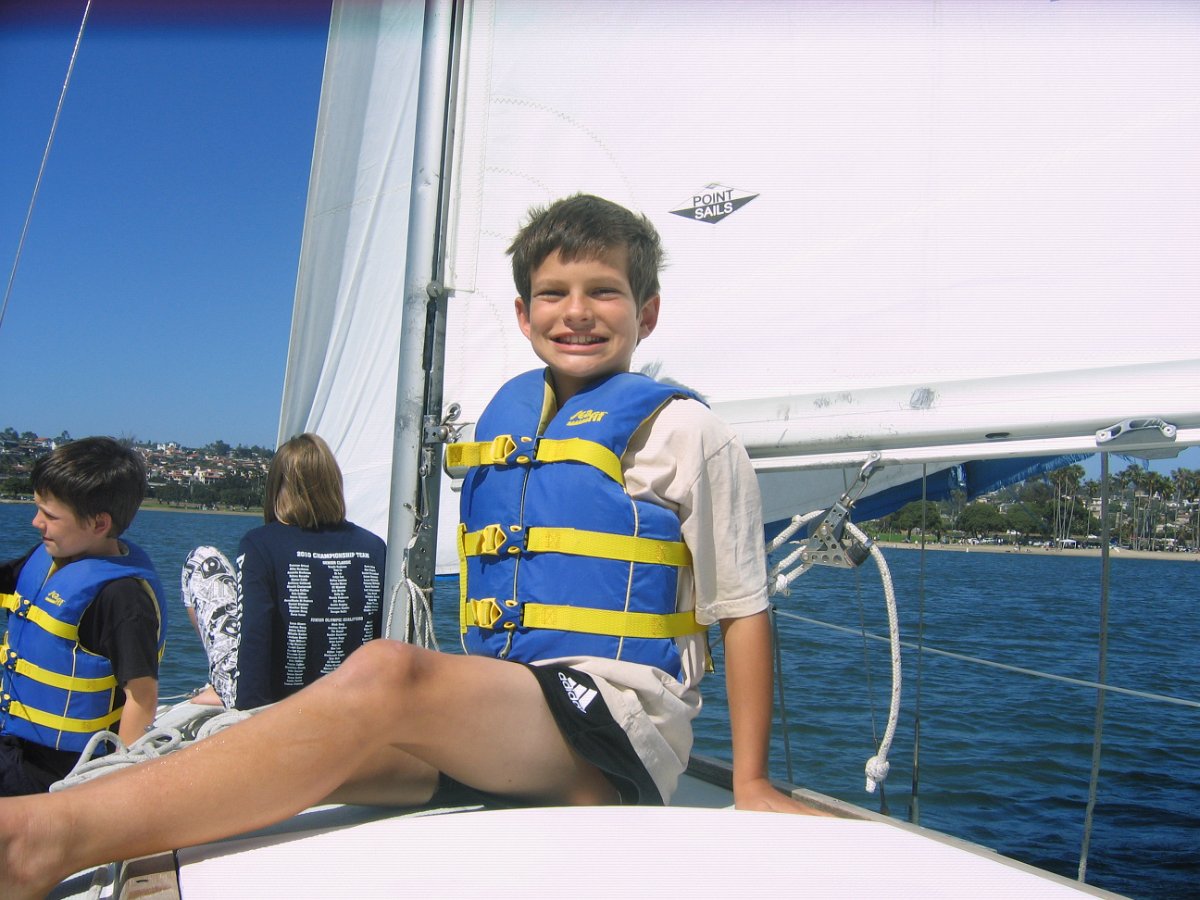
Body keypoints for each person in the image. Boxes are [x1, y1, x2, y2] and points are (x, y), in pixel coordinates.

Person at [0, 195, 821, 897]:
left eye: (604, 292)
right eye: (553, 293)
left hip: (617, 734)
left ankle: (36, 841)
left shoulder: (687, 433)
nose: (577, 312)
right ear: (524, 314)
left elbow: (743, 610)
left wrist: (749, 783)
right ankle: (75, 829)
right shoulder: (514, 421)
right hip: (514, 726)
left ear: (648, 312)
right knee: (300, 749)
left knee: (389, 670)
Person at [0, 437, 165, 797]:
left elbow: (143, 698)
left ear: (99, 523)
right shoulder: (50, 557)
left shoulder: (123, 599)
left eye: (50, 516)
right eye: (38, 509)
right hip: (13, 745)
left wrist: (115, 787)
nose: (36, 522)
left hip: (59, 772)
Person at [188, 433, 387, 709]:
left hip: (278, 707)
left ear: (277, 487)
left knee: (200, 559)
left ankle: (220, 687)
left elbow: (255, 636)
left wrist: (250, 711)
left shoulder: (260, 544)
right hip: (355, 701)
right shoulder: (374, 547)